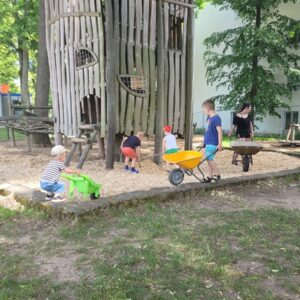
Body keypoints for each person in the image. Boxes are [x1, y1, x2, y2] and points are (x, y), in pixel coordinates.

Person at [202, 99, 223, 183]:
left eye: (203, 110)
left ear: (208, 109)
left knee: (209, 159)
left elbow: (220, 131)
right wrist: (204, 142)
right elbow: (207, 131)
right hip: (208, 142)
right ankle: (209, 176)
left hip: (213, 143)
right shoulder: (209, 117)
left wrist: (220, 144)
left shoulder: (216, 118)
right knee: (208, 160)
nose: (203, 112)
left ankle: (217, 174)